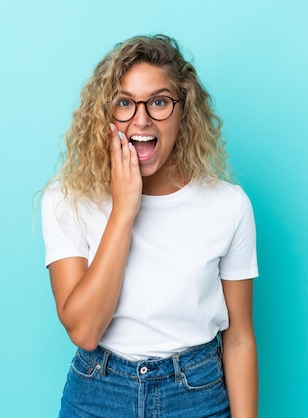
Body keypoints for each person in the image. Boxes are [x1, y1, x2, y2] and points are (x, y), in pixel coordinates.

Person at [41, 34, 258, 418]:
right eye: (125, 103)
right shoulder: (67, 200)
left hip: (196, 394)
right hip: (97, 395)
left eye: (159, 102)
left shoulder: (229, 205)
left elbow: (239, 338)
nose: (141, 119)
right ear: (106, 115)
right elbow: (85, 331)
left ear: (183, 111)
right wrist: (124, 210)